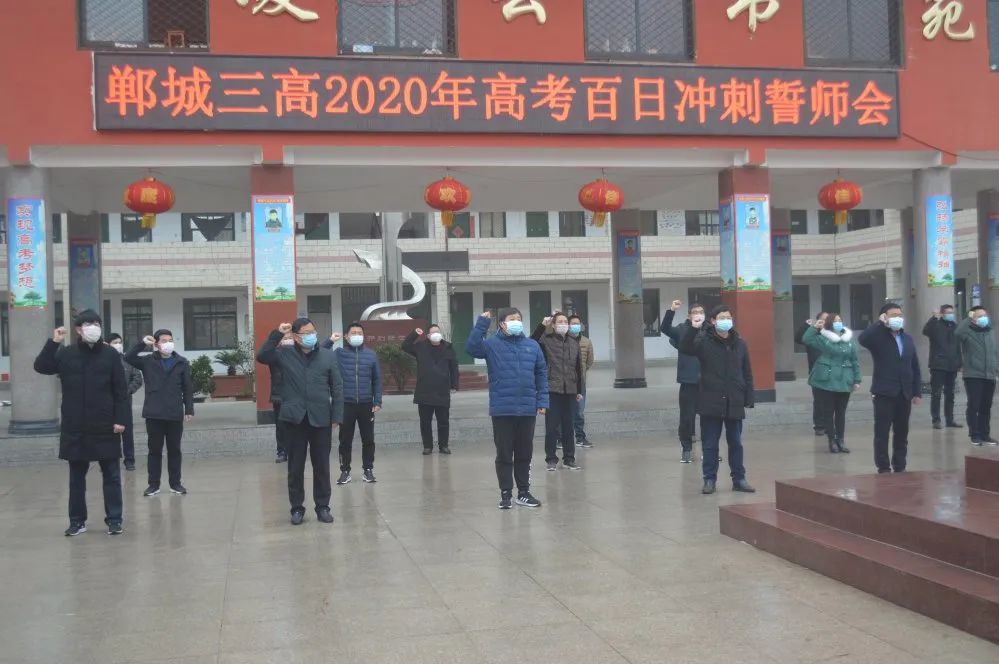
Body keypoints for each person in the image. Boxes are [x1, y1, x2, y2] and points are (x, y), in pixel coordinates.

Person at [35, 311, 129, 536]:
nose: (93, 327)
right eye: (88, 323)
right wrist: (54, 342)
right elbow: (41, 366)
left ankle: (114, 520)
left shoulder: (110, 354)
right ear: (78, 329)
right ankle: (77, 521)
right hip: (75, 425)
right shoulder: (67, 353)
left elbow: (120, 389)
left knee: (112, 476)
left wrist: (120, 419)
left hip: (105, 424)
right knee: (76, 478)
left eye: (97, 323)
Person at [257, 319, 344, 525]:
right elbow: (263, 356)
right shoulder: (284, 354)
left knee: (322, 466)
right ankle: (296, 508)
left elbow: (337, 387)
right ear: (296, 336)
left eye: (313, 331)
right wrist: (278, 333)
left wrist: (337, 416)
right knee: (295, 468)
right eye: (306, 333)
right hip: (294, 419)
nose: (311, 335)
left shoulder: (328, 355)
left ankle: (323, 507)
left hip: (321, 418)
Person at [466, 308, 548, 509]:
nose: (516, 322)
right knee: (504, 453)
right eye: (512, 319)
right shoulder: (492, 345)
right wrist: (482, 324)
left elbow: (541, 374)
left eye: (519, 319)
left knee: (524, 453)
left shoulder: (532, 345)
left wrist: (543, 401)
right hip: (502, 409)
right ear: (502, 324)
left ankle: (523, 492)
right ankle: (505, 493)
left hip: (527, 408)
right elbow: (472, 348)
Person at [680, 305, 756, 495]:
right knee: (710, 444)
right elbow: (686, 347)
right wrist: (693, 328)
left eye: (728, 317)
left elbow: (746, 372)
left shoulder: (740, 343)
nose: (726, 321)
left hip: (734, 400)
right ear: (713, 321)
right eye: (722, 317)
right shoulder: (704, 341)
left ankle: (739, 479)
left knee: (736, 443)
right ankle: (709, 480)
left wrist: (749, 396)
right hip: (710, 400)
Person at [126, 329, 194, 496]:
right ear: (156, 344)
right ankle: (153, 484)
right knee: (154, 451)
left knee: (174, 450)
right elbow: (128, 358)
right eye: (164, 340)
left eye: (170, 340)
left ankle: (175, 484)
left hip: (174, 413)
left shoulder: (181, 362)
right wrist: (143, 343)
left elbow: (187, 387)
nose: (168, 343)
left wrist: (189, 409)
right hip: (154, 413)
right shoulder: (148, 361)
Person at [858, 303, 922, 474]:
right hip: (884, 392)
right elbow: (862, 339)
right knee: (882, 433)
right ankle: (883, 466)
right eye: (894, 315)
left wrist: (917, 391)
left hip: (904, 393)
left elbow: (914, 366)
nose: (898, 318)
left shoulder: (907, 339)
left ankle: (900, 465)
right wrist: (879, 324)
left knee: (902, 433)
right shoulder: (878, 337)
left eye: (900, 315)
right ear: (885, 317)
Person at [325, 322, 382, 485]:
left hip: (366, 404)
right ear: (346, 336)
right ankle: (345, 471)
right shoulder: (339, 354)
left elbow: (377, 379)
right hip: (346, 404)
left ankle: (368, 470)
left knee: (368, 439)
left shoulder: (371, 355)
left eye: (359, 333)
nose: (357, 335)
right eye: (353, 333)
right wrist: (330, 341)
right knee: (345, 440)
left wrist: (377, 400)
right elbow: (319, 353)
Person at [531, 312, 584, 471]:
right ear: (553, 325)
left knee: (569, 427)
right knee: (552, 427)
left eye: (565, 322)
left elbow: (578, 367)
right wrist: (542, 326)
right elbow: (531, 342)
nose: (563, 324)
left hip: (570, 390)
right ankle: (551, 459)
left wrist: (579, 390)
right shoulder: (546, 340)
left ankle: (569, 459)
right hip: (552, 389)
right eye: (559, 322)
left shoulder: (574, 342)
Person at [802, 314, 861, 454]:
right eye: (835, 321)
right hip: (826, 380)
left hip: (845, 379)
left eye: (840, 320)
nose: (838, 322)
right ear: (829, 323)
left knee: (841, 412)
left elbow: (854, 360)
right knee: (828, 412)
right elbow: (806, 339)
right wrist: (814, 327)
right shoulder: (823, 338)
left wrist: (857, 379)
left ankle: (841, 440)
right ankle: (832, 440)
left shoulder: (848, 339)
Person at [402, 324, 458, 455]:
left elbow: (453, 367)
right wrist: (415, 333)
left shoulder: (448, 347)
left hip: (442, 391)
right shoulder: (420, 347)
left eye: (437, 331)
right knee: (425, 422)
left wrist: (454, 385)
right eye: (433, 332)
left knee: (443, 421)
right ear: (428, 335)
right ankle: (427, 446)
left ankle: (443, 445)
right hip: (424, 391)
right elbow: (405, 346)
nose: (436, 334)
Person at [661, 299, 703, 463]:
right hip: (688, 381)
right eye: (695, 312)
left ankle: (709, 449)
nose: (698, 315)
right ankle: (686, 449)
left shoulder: (709, 330)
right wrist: (671, 310)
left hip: (707, 381)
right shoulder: (681, 329)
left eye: (701, 312)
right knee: (686, 418)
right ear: (689, 315)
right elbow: (665, 328)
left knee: (709, 417)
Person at [955, 306, 999, 447]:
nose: (983, 318)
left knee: (986, 406)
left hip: (989, 375)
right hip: (973, 374)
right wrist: (968, 318)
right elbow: (958, 333)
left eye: (984, 315)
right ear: (972, 318)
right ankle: (975, 434)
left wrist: (996, 369)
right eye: (979, 316)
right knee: (974, 405)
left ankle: (985, 434)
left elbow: (995, 352)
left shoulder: (990, 331)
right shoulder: (967, 331)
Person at [922, 305, 963, 429]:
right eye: (948, 312)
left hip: (952, 365)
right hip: (938, 365)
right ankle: (936, 420)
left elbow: (958, 347)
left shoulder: (955, 326)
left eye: (952, 312)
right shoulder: (936, 325)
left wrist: (960, 363)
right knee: (936, 393)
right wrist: (933, 318)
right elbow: (926, 331)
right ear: (942, 314)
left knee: (950, 394)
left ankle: (950, 420)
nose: (951, 315)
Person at [108, 333, 143, 471]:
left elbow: (138, 378)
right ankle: (111, 459)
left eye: (120, 342)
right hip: (108, 403)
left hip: (125, 403)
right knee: (110, 433)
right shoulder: (104, 361)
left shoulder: (128, 360)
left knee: (127, 433)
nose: (118, 345)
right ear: (108, 345)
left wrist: (127, 391)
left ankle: (129, 460)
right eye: (115, 342)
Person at [796, 312, 828, 437]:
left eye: (827, 319)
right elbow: (798, 338)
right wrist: (806, 326)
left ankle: (830, 424)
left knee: (831, 401)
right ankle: (819, 426)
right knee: (819, 400)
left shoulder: (832, 335)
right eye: (822, 320)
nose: (825, 322)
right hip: (817, 373)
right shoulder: (812, 335)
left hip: (832, 373)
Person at [569, 315, 595, 449]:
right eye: (573, 323)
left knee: (579, 412)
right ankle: (560, 439)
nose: (575, 326)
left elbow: (589, 361)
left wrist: (581, 373)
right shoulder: (563, 340)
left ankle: (580, 437)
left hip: (580, 383)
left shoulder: (586, 342)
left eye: (577, 323)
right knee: (564, 412)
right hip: (565, 383)